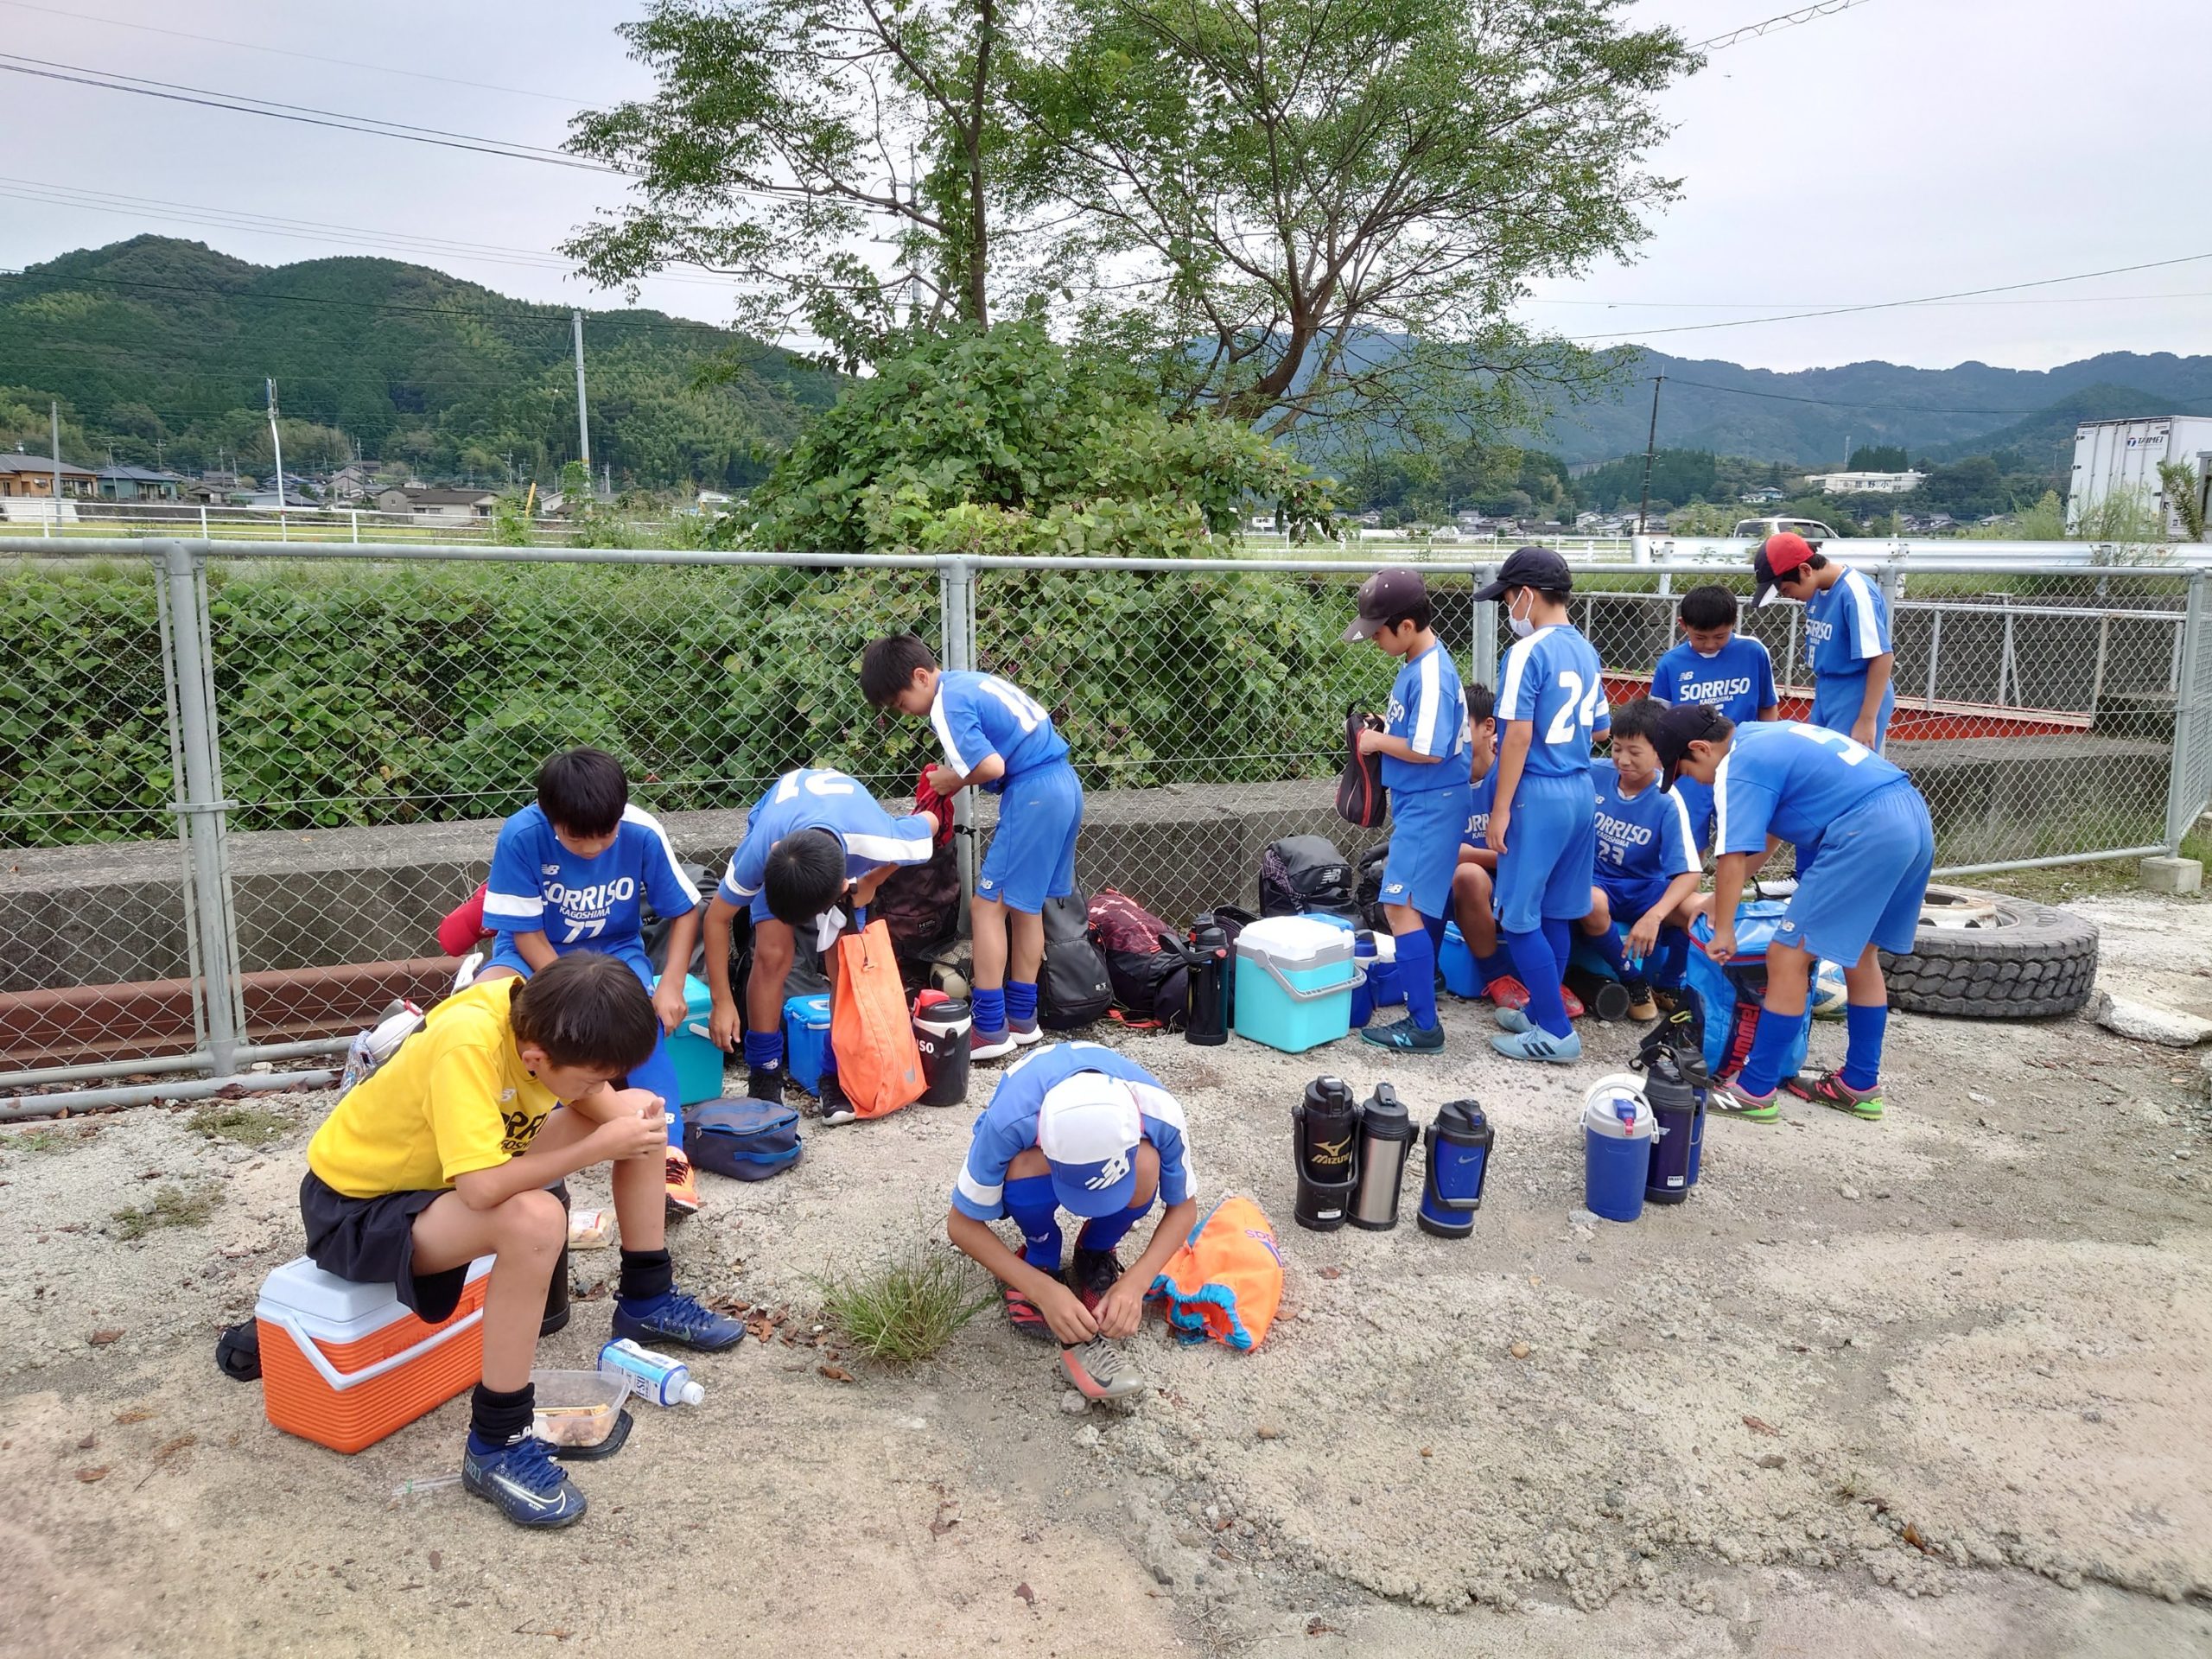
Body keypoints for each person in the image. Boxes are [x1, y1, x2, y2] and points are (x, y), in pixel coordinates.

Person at [301, 952, 742, 1529]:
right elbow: (482, 1189)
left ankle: (647, 1299)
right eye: (589, 1080)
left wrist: (625, 1128)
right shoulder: (469, 1044)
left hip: (439, 1181)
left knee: (641, 1114)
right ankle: (496, 1442)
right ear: (536, 1059)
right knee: (535, 1220)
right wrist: (594, 1148)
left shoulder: (535, 1014)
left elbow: (611, 1116)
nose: (595, 1090)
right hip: (359, 1210)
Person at [1651, 704, 1934, 1123]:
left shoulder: (1735, 765)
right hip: (1910, 816)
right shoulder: (1763, 736)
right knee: (1861, 955)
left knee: (1786, 955)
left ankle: (1755, 1090)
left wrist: (1724, 930)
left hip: (1864, 830)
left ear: (1701, 748)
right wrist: (1719, 900)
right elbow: (1768, 834)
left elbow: (1732, 853)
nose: (1694, 780)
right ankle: (1859, 1084)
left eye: (1687, 771)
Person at [476, 747, 705, 1217]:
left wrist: (672, 985)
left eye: (606, 834)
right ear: (551, 818)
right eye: (576, 837)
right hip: (535, 953)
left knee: (642, 1022)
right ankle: (500, 1143)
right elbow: (526, 934)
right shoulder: (521, 835)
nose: (593, 848)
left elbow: (685, 911)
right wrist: (569, 993)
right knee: (492, 1008)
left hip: (614, 952)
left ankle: (670, 1157)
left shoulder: (641, 830)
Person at [861, 634, 1084, 1062]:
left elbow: (991, 765)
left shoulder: (946, 704)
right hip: (1064, 785)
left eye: (900, 702)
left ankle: (989, 1026)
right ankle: (1022, 1020)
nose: (903, 711)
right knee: (1026, 907)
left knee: (986, 907)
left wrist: (952, 780)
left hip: (1034, 795)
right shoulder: (969, 682)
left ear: (920, 677)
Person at [945, 1041, 1198, 1403]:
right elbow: (961, 1223)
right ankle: (1040, 1255)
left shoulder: (1159, 1110)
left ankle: (1095, 1250)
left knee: (1147, 1164)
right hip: (1031, 1139)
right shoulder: (1010, 1120)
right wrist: (1040, 1289)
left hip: (1115, 1135)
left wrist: (1136, 1282)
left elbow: (1184, 1209)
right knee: (1022, 1170)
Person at [701, 767, 936, 1122]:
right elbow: (716, 918)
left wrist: (871, 881)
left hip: (847, 845)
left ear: (841, 887)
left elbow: (930, 823)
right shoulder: (764, 848)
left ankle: (834, 1074)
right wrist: (721, 1001)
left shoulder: (873, 836)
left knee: (843, 963)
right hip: (789, 838)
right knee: (772, 954)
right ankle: (764, 1073)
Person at [1477, 546, 1605, 1063]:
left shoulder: (1526, 653)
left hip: (1539, 793)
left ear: (1527, 594)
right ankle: (1543, 1011)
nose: (1509, 609)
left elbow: (1516, 736)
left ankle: (1555, 1031)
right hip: (1580, 787)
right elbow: (1601, 729)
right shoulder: (1587, 650)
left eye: (1509, 598)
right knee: (1556, 911)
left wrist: (1501, 808)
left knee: (1518, 916)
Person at [1342, 569, 1473, 1055]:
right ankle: (1425, 983)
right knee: (1424, 903)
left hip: (1431, 803)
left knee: (1399, 906)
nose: (1375, 638)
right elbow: (1420, 731)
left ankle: (1423, 1025)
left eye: (1379, 631)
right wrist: (1386, 725)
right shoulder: (1417, 663)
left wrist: (1376, 741)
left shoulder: (1431, 672)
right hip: (1427, 800)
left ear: (1407, 625)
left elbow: (1429, 749)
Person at [1580, 697, 1703, 1020]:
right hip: (1597, 882)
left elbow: (1690, 873)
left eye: (1634, 752)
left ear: (1660, 753)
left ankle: (1669, 984)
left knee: (1700, 909)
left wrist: (1655, 916)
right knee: (1590, 901)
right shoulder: (1593, 773)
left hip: (1644, 887)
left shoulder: (1667, 799)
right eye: (1617, 748)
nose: (1623, 759)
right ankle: (1633, 979)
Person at [1650, 585, 1779, 851]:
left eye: (1720, 636)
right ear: (1682, 625)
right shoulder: (1670, 663)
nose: (1710, 644)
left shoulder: (1753, 652)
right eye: (1700, 637)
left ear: (1734, 622)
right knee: (1686, 840)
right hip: (1691, 767)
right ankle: (1690, 879)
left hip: (1740, 763)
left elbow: (1767, 706)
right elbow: (1658, 720)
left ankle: (1734, 880)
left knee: (1739, 840)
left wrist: (1769, 753)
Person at [1752, 532, 1895, 753]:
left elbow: (1882, 656)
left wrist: (1867, 719)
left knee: (1844, 766)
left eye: (1786, 589)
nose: (1787, 596)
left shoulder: (1855, 593)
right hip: (1827, 689)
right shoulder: (1817, 591)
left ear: (1805, 570)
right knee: (1820, 760)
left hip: (1857, 691)